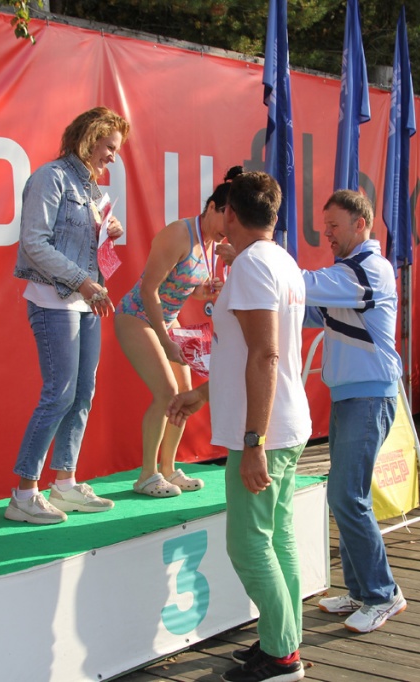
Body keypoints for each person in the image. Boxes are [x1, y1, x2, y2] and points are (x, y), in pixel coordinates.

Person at [168, 172, 311, 682]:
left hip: (265, 432)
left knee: (249, 545)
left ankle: (282, 655)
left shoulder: (251, 266)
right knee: (278, 539)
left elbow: (265, 355)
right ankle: (282, 640)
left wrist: (254, 442)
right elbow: (246, 354)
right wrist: (201, 394)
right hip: (284, 425)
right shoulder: (280, 261)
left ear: (230, 213)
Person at [4, 107, 130, 525]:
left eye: (116, 150)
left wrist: (107, 234)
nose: (113, 156)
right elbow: (34, 242)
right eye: (109, 147)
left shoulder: (93, 190)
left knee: (82, 393)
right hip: (54, 299)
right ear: (89, 138)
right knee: (59, 393)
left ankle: (65, 482)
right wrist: (82, 281)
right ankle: (24, 493)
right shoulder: (50, 177)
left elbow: (83, 247)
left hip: (86, 300)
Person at [302, 190, 406, 633]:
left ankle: (383, 595)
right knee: (345, 496)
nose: (326, 234)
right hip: (352, 396)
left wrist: (259, 264)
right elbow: (311, 311)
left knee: (348, 496)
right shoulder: (350, 273)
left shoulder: (368, 269)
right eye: (325, 226)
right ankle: (362, 590)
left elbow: (303, 286)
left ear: (360, 224)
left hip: (369, 397)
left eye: (333, 226)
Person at [114, 167, 241, 498]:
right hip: (136, 315)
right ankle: (147, 475)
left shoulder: (211, 242)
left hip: (167, 319)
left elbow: (184, 287)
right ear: (211, 207)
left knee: (185, 393)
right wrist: (166, 339)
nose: (228, 229)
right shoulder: (178, 233)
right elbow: (149, 290)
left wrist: (204, 291)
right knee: (167, 391)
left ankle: (168, 469)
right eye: (226, 218)